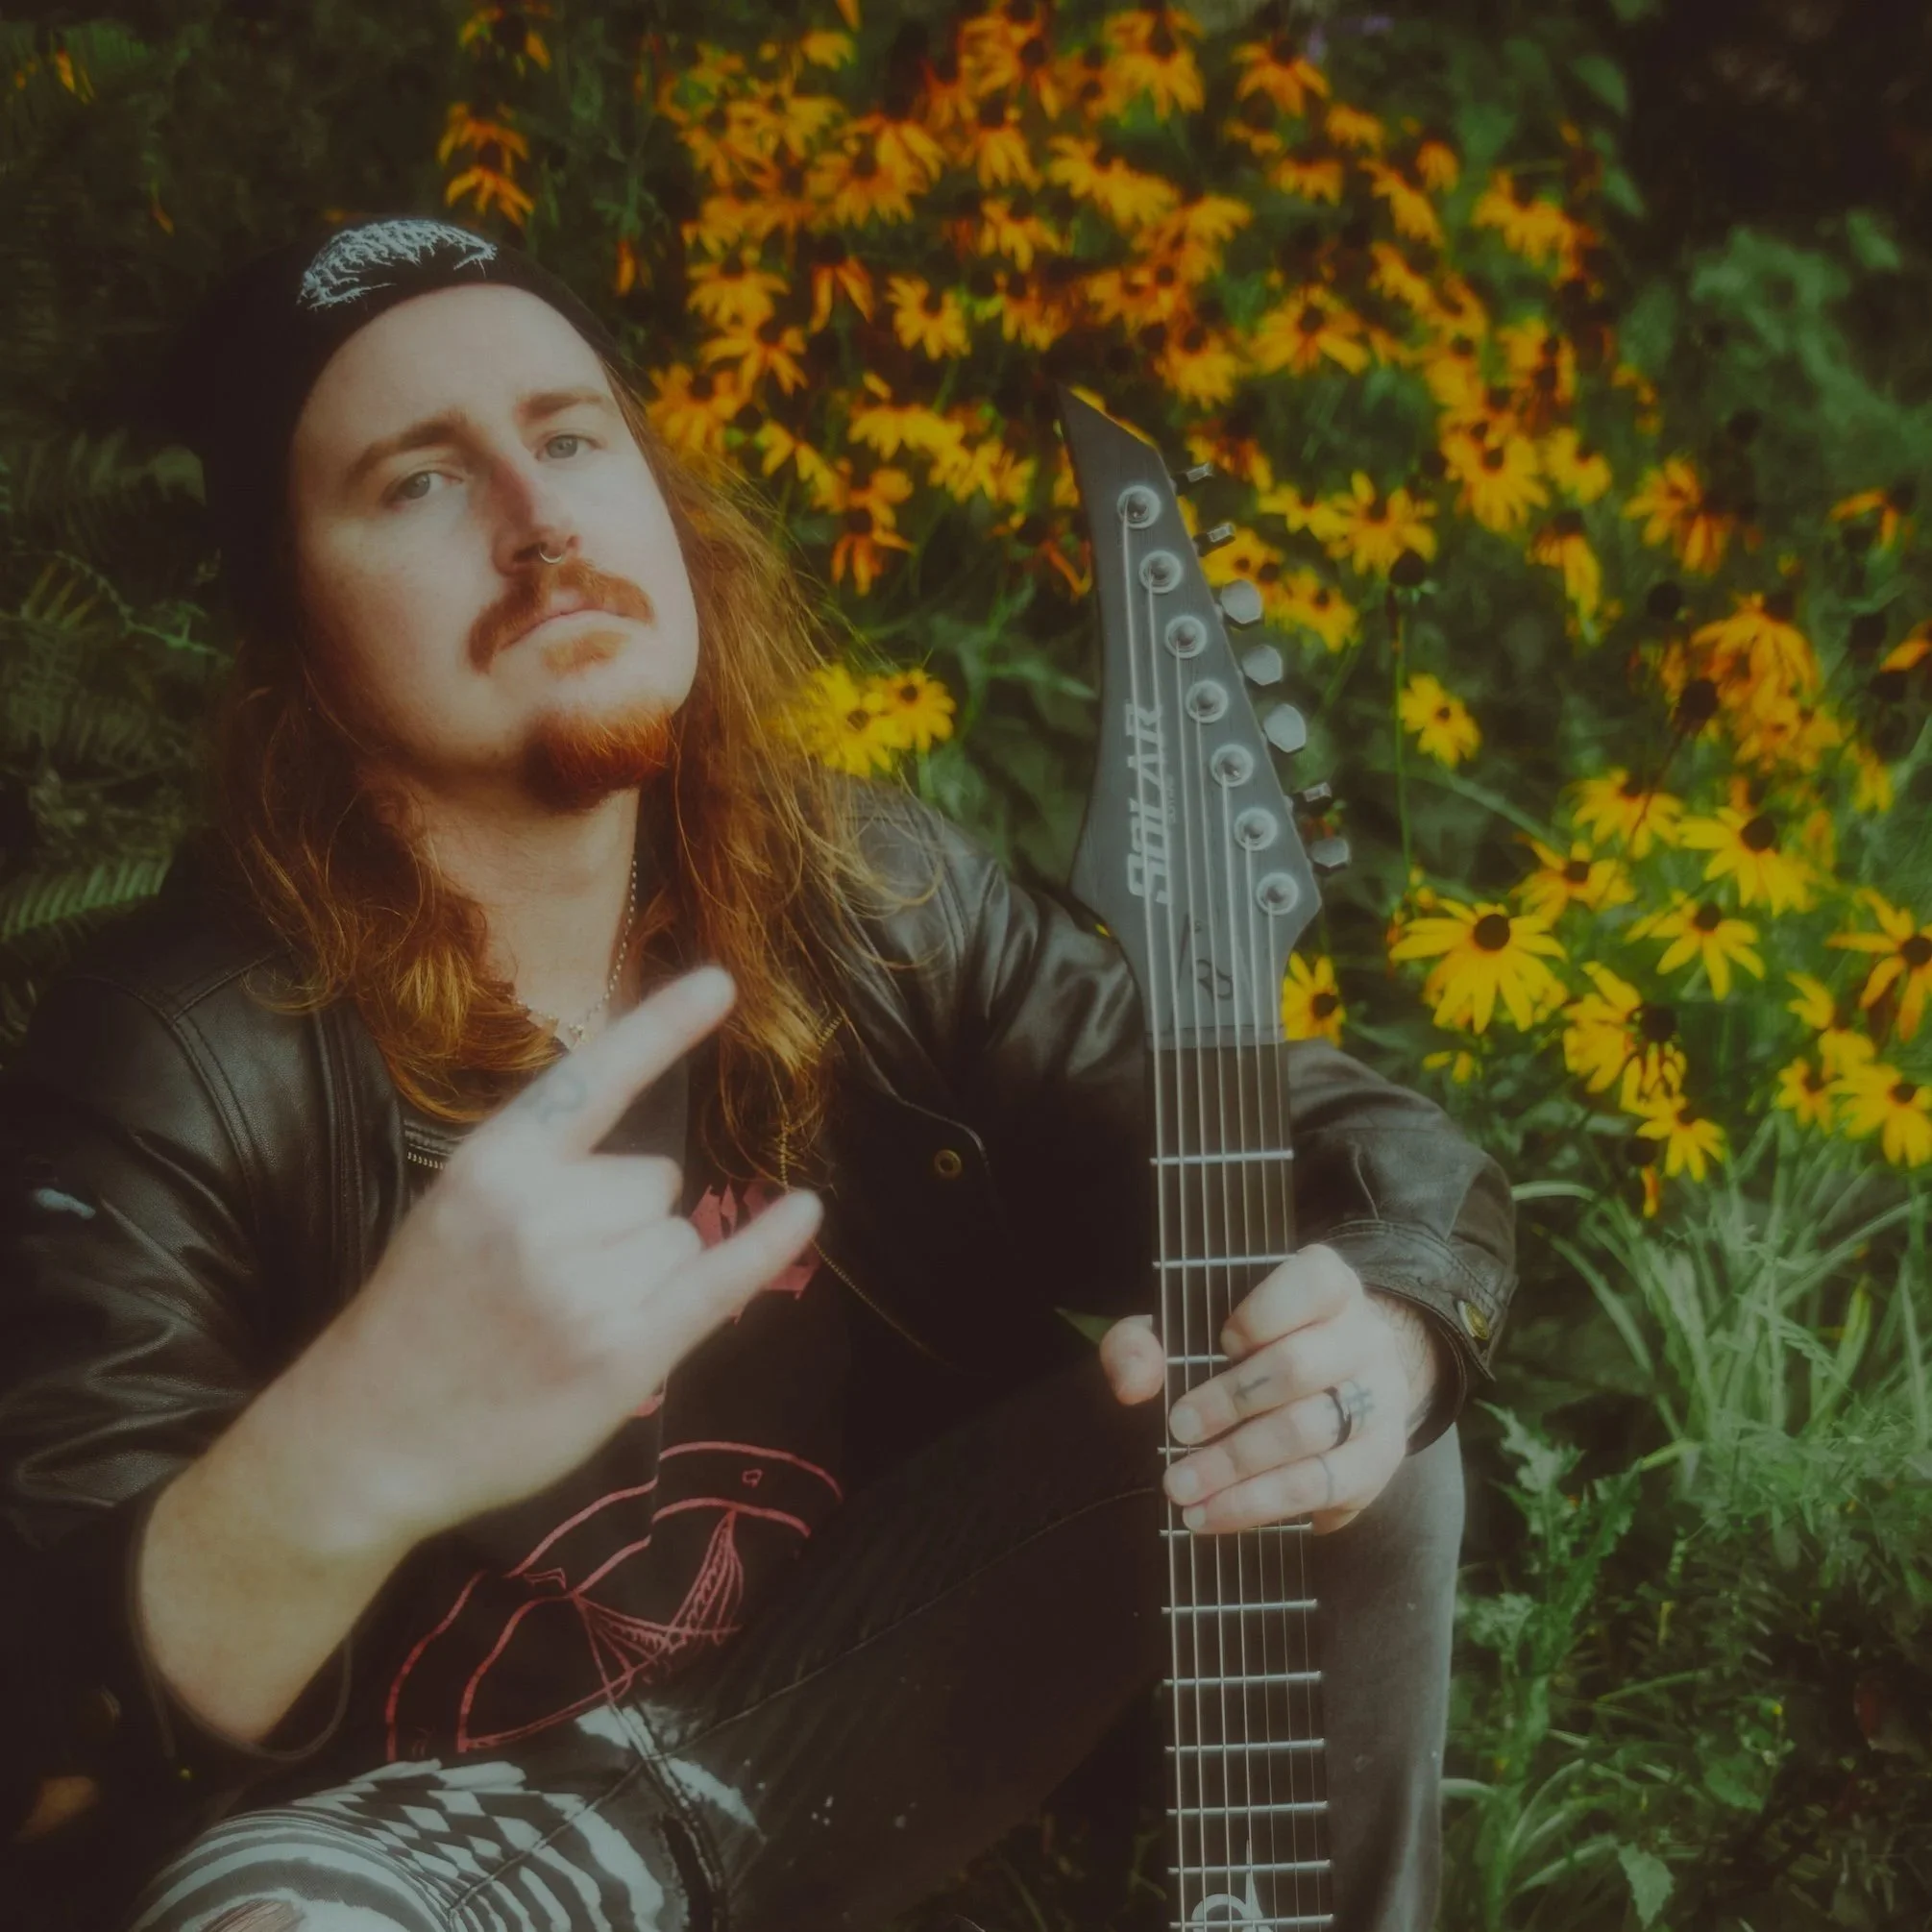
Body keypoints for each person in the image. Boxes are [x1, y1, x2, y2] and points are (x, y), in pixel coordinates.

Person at [0, 215, 1516, 1932]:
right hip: (421, 1849)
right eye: (417, 481)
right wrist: (348, 1446)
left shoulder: (862, 900)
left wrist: (1385, 1331)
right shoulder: (174, 1068)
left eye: (572, 436)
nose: (541, 514)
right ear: (298, 633)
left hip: (841, 1722)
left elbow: (1338, 1146)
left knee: (1315, 1408)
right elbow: (42, 1766)